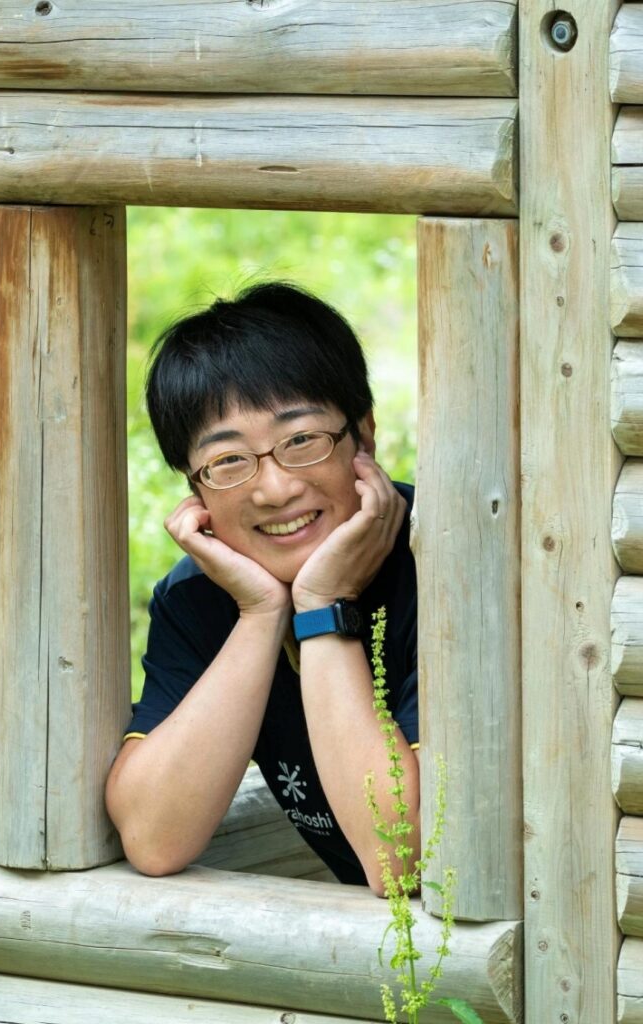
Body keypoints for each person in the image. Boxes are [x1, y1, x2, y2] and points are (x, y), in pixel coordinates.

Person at [105, 281, 418, 892]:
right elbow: (153, 836)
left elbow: (403, 859)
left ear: (364, 435)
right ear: (194, 490)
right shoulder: (198, 597)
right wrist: (260, 613)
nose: (275, 490)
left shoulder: (446, 568)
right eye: (228, 461)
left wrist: (323, 609)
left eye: (301, 441)